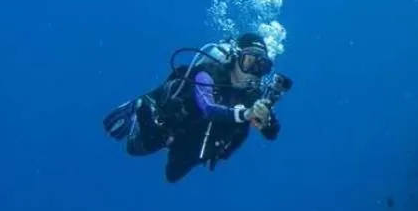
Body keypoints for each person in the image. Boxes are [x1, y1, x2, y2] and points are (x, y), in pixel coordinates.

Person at [102, 32, 286, 182]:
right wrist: (246, 114)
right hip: (176, 119)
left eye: (262, 67)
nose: (254, 73)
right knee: (136, 148)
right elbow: (208, 108)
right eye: (249, 62)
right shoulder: (208, 74)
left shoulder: (253, 96)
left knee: (173, 175)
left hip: (196, 136)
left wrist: (266, 121)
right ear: (235, 58)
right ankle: (142, 107)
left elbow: (272, 132)